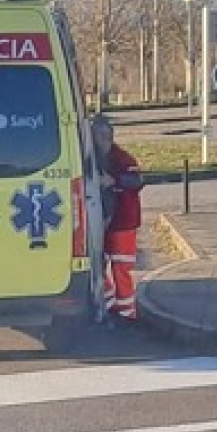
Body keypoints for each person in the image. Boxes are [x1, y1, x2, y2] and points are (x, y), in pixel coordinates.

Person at [91, 115, 144, 324]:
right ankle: (111, 302)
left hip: (123, 222)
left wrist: (114, 181)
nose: (99, 141)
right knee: (98, 264)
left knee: (121, 267)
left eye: (102, 136)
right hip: (104, 221)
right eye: (96, 136)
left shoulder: (123, 159)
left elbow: (136, 181)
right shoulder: (93, 158)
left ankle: (127, 312)